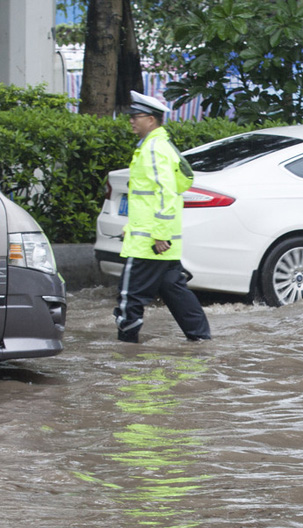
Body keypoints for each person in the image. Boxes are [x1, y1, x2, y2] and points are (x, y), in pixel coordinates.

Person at [114, 91, 211, 343]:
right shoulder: (156, 146)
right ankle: (201, 340)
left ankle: (124, 354)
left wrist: (159, 234)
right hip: (157, 239)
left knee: (128, 296)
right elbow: (150, 197)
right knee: (174, 289)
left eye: (136, 117)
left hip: (150, 243)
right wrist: (133, 226)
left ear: (152, 120)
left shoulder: (154, 149)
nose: (132, 121)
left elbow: (166, 193)